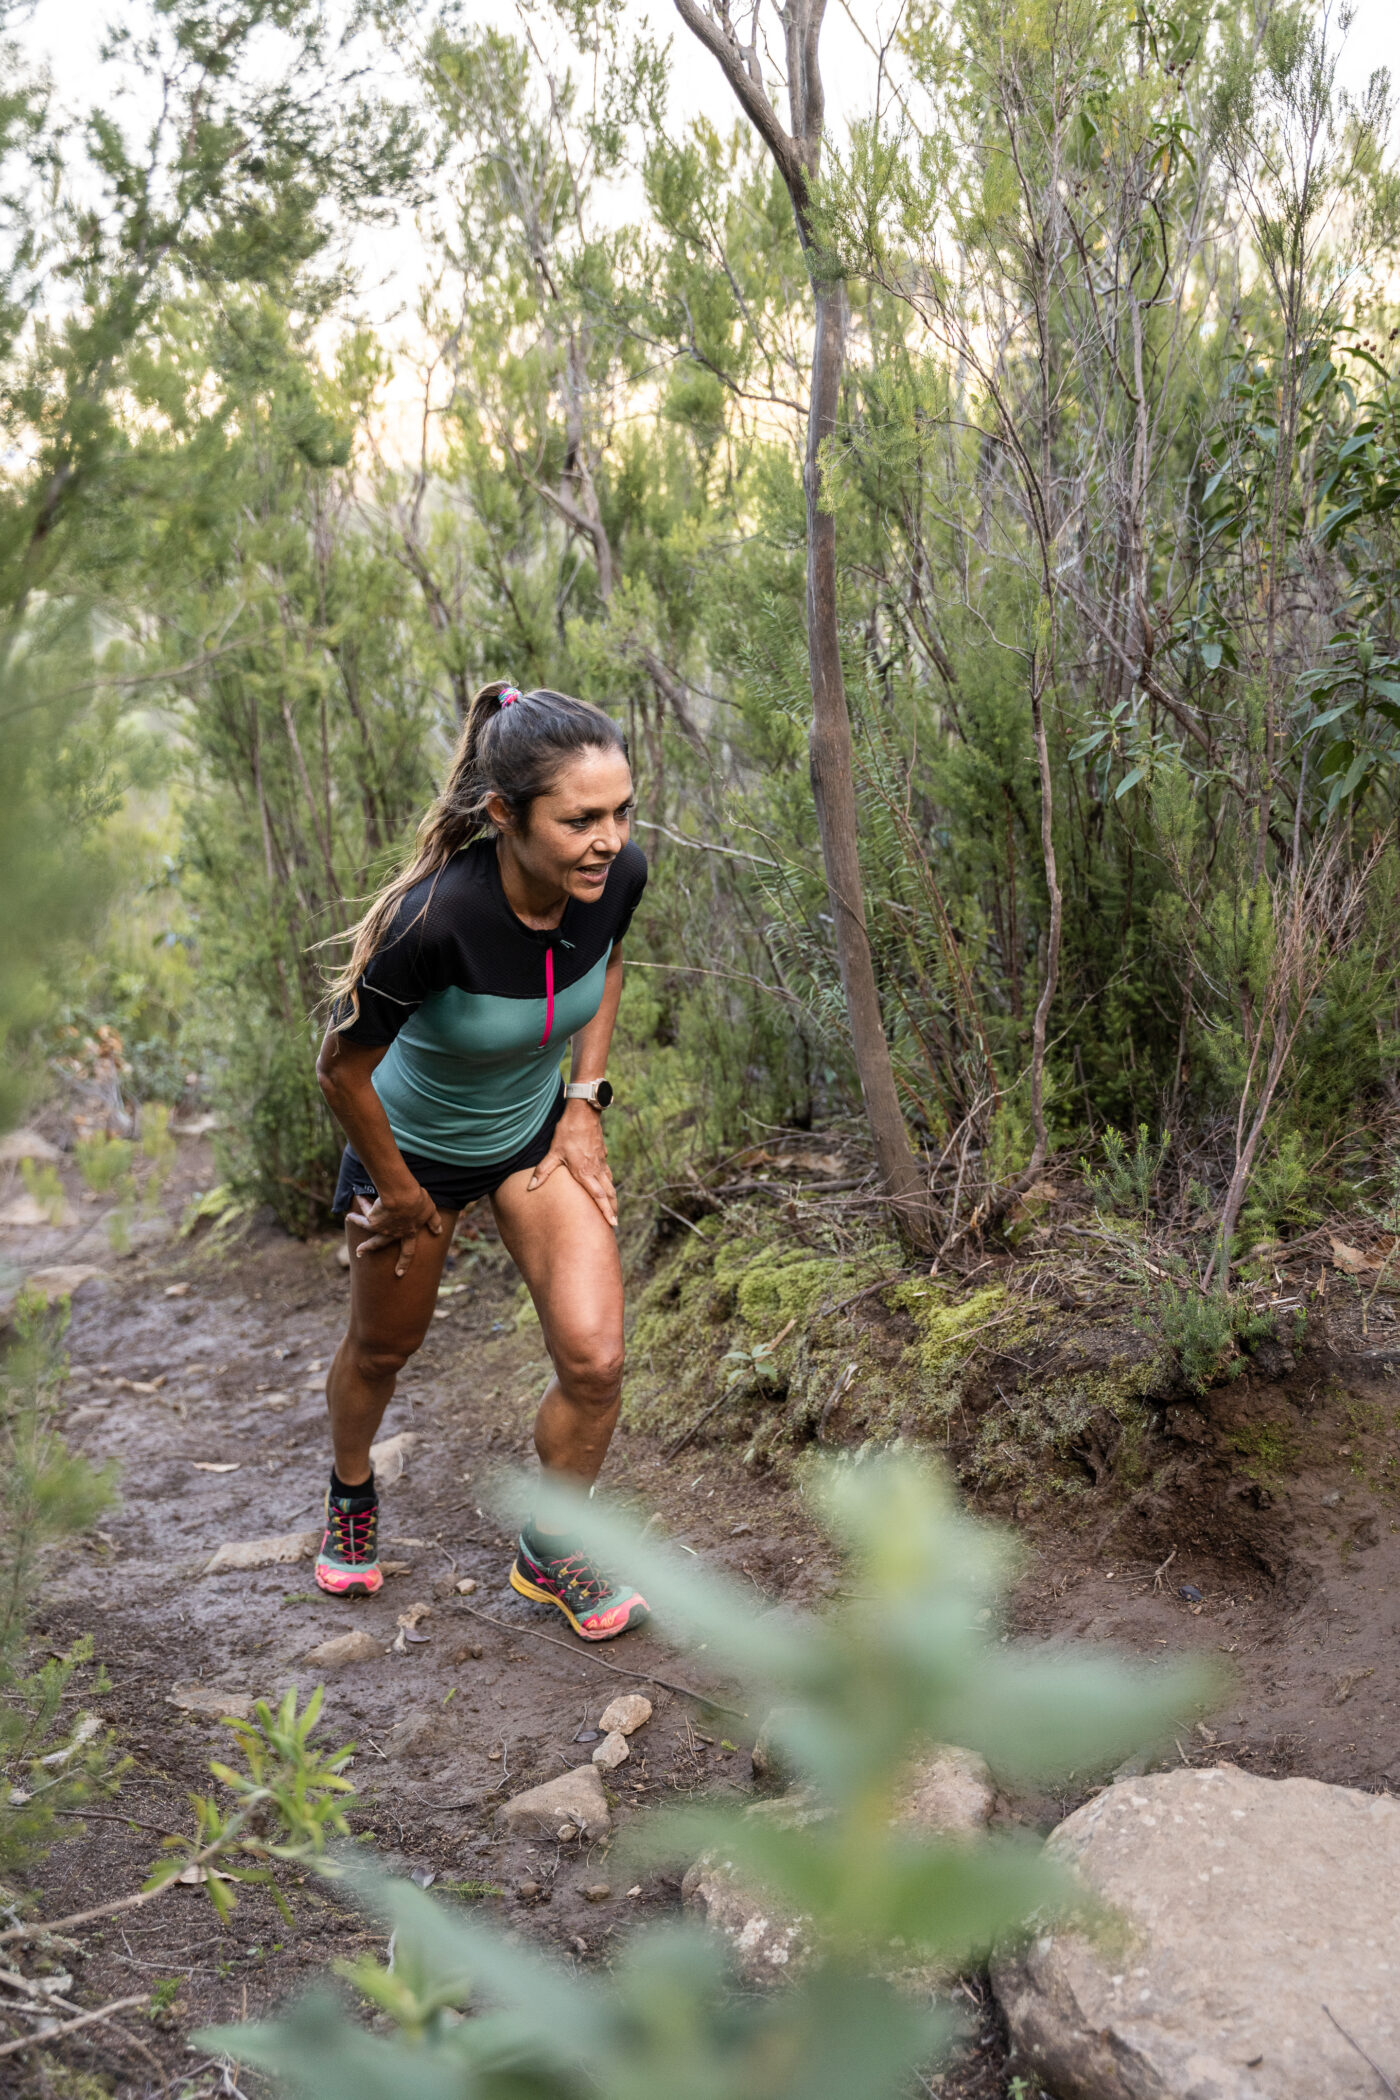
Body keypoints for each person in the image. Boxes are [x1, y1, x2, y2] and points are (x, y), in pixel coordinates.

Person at [312, 680, 649, 1641]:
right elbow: (341, 1069)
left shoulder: (613, 880)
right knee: (384, 1349)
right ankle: (350, 1488)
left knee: (597, 1360)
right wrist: (407, 1195)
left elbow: (608, 959)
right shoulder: (435, 921)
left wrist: (583, 1104)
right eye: (581, 818)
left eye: (622, 811)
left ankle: (551, 1545)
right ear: (504, 814)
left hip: (533, 1133)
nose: (611, 839)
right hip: (412, 1152)